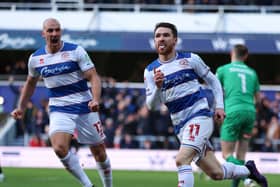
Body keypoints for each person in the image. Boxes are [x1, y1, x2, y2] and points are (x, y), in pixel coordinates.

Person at [144, 22, 267, 187]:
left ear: (175, 40)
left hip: (199, 117)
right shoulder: (150, 71)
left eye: (166, 35)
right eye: (158, 36)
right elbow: (151, 105)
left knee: (182, 160)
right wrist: (158, 88)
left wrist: (219, 106)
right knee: (216, 173)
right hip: (180, 126)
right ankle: (249, 170)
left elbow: (213, 81)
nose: (161, 39)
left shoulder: (190, 59)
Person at [11, 18, 112, 187]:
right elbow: (30, 83)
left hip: (84, 106)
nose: (54, 34)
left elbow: (93, 76)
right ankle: (88, 185)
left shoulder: (76, 51)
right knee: (59, 148)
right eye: (50, 31)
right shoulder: (35, 59)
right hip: (59, 108)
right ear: (43, 34)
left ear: (61, 32)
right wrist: (20, 107)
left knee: (99, 152)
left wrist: (95, 99)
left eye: (57, 30)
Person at [216, 44, 260, 187]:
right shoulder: (252, 72)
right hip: (249, 112)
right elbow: (258, 99)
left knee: (226, 154)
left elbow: (214, 88)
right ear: (246, 56)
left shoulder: (223, 69)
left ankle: (248, 176)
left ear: (231, 54)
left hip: (233, 111)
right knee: (241, 155)